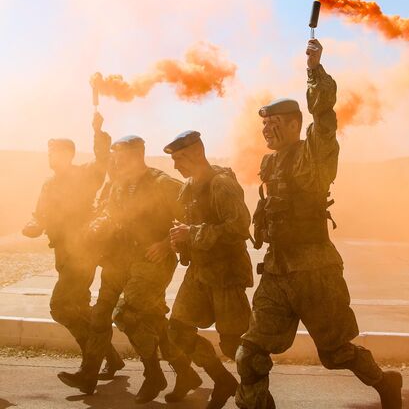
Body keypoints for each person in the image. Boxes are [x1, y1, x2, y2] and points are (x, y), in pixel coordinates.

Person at [234, 39, 402, 409]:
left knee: (335, 353)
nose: (267, 131)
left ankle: (385, 383)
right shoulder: (269, 164)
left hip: (315, 273)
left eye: (275, 124)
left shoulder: (314, 154)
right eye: (264, 125)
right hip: (277, 274)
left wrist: (314, 70)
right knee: (250, 355)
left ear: (295, 124)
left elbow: (324, 116)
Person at [57, 135, 200, 404]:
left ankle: (154, 374)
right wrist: (95, 227)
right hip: (119, 258)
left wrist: (167, 245)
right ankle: (89, 373)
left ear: (135, 155)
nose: (114, 160)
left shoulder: (163, 184)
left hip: (151, 258)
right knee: (101, 315)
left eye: (118, 155)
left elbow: (192, 218)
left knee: (131, 314)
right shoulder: (117, 185)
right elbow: (109, 213)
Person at [21, 113, 124, 385]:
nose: (49, 157)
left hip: (83, 252)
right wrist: (33, 225)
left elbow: (103, 161)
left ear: (67, 154)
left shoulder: (84, 174)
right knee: (77, 306)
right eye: (49, 152)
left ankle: (91, 365)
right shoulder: (49, 184)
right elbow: (40, 214)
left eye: (53, 152)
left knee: (61, 307)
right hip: (64, 253)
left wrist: (98, 131)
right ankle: (110, 357)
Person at [164, 130, 253, 409]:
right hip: (200, 273)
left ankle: (258, 398)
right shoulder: (188, 186)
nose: (175, 165)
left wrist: (192, 234)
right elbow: (189, 226)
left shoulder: (221, 184)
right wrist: (181, 240)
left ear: (196, 155)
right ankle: (222, 380)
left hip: (226, 275)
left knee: (233, 345)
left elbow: (239, 228)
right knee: (178, 331)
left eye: (180, 158)